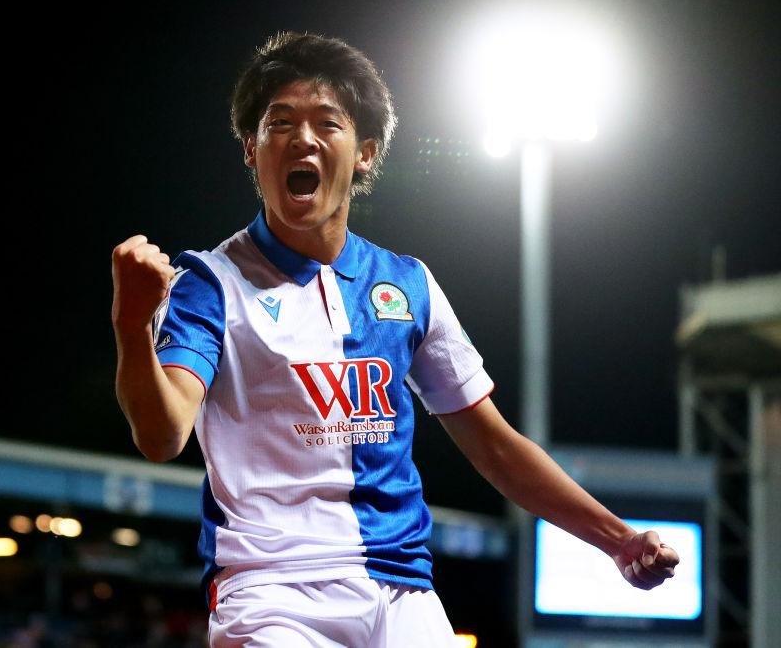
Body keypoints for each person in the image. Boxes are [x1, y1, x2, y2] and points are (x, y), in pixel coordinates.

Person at [111, 32, 679, 646]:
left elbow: (496, 448)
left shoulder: (408, 285)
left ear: (365, 153)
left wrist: (618, 540)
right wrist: (131, 325)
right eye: (280, 123)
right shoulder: (210, 283)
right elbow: (162, 436)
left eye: (328, 122)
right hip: (271, 592)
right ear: (252, 149)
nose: (302, 138)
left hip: (401, 590)